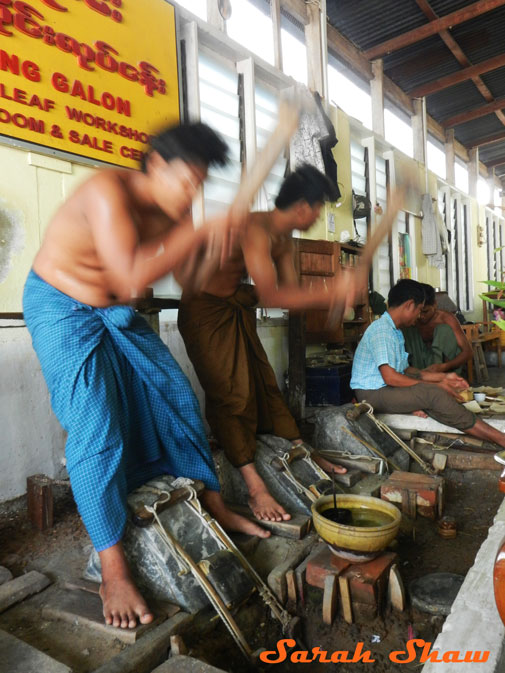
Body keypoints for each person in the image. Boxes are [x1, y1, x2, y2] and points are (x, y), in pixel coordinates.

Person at [23, 122, 269, 631]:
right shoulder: (107, 191)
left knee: (175, 393)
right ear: (155, 164)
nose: (192, 195)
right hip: (59, 306)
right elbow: (130, 279)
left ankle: (213, 503)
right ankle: (112, 566)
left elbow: (178, 274)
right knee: (96, 427)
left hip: (108, 307)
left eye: (200, 186)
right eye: (186, 182)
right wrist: (197, 232)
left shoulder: (171, 210)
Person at [178, 165, 359, 525]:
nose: (320, 215)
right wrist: (331, 292)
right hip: (205, 311)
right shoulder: (257, 228)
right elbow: (274, 294)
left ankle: (301, 449)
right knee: (233, 395)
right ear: (302, 206)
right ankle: (254, 486)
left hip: (236, 304)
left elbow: (288, 298)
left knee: (264, 384)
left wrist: (328, 295)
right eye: (319, 207)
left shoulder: (284, 239)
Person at [350, 279, 505, 449]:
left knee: (433, 394)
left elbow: (406, 370)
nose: (419, 316)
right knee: (432, 394)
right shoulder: (382, 331)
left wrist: (444, 377)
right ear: (409, 305)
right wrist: (438, 385)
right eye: (418, 310)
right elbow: (390, 377)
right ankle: (500, 438)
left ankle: (483, 432)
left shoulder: (394, 331)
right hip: (372, 393)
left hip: (385, 389)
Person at [403, 283, 472, 374]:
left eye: (425, 312)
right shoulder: (413, 320)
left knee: (443, 329)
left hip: (445, 367)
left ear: (435, 305)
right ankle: (420, 375)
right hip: (421, 366)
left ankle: (443, 375)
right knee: (409, 330)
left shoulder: (446, 318)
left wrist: (445, 366)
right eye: (419, 312)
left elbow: (468, 352)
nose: (421, 316)